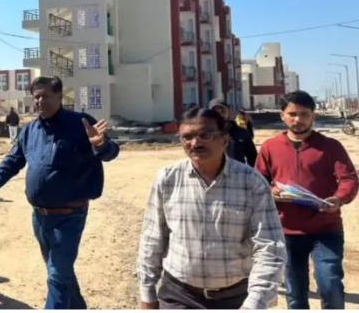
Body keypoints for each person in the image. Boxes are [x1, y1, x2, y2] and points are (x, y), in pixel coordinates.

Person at [0, 76, 120, 309]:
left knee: (57, 275)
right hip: (40, 217)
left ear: (60, 96)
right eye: (36, 97)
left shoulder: (80, 124)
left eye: (45, 96)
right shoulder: (30, 130)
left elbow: (111, 152)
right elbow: (12, 161)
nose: (39, 101)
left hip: (69, 217)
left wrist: (100, 145)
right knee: (60, 272)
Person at [136, 107, 286, 309]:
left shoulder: (252, 183)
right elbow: (152, 238)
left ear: (224, 140)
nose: (195, 143)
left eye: (205, 135)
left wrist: (254, 303)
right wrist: (147, 293)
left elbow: (270, 247)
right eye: (187, 137)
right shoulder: (168, 178)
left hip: (236, 297)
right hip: (179, 295)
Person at [255, 90, 358, 309]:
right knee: (295, 293)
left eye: (304, 114)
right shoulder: (270, 147)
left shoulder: (330, 146)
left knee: (330, 285)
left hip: (326, 228)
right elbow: (258, 182)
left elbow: (349, 178)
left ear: (313, 116)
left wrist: (339, 199)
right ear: (282, 115)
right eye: (292, 114)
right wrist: (271, 191)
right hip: (286, 231)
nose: (298, 119)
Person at [208, 98, 258, 167]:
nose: (220, 115)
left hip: (238, 172)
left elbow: (253, 159)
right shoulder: (205, 135)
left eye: (222, 111)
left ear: (229, 112)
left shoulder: (242, 133)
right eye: (215, 112)